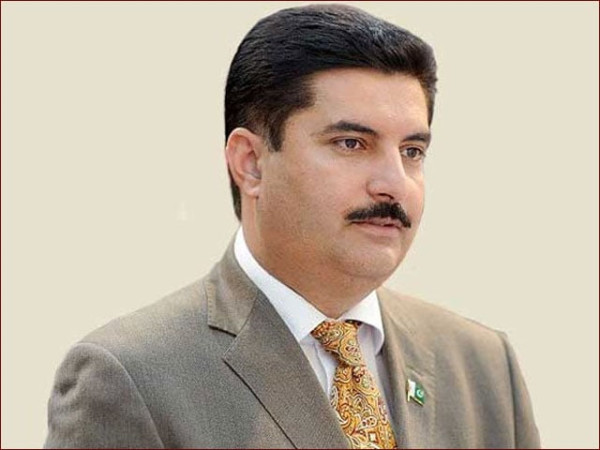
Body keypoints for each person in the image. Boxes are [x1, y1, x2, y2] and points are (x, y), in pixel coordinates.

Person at [44, 4, 540, 448]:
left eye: (412, 151)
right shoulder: (132, 377)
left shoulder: (483, 366)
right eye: (352, 144)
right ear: (251, 163)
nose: (394, 184)